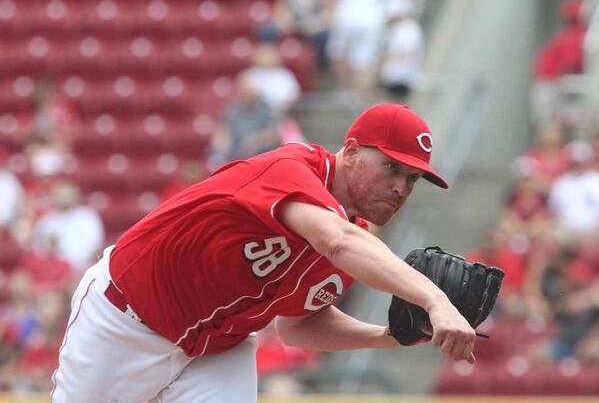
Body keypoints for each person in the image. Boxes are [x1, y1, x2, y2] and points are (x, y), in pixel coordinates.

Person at [52, 104, 477, 402]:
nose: (401, 187)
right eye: (391, 167)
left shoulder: (352, 240)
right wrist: (435, 299)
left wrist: (388, 337)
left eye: (412, 178)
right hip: (125, 320)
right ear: (349, 152)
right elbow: (336, 241)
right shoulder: (291, 169)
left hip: (217, 349)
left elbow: (299, 325)